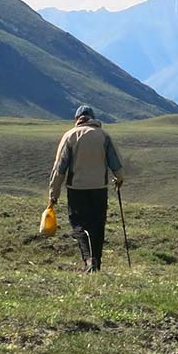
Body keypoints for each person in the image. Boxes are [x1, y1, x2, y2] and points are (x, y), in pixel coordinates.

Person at [47, 105, 124, 272]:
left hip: (77, 188)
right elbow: (115, 162)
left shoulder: (70, 136)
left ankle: (88, 259)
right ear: (93, 118)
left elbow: (59, 168)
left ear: (77, 119)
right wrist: (119, 178)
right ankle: (96, 262)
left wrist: (54, 193)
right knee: (98, 224)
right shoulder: (104, 136)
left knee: (79, 224)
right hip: (99, 188)